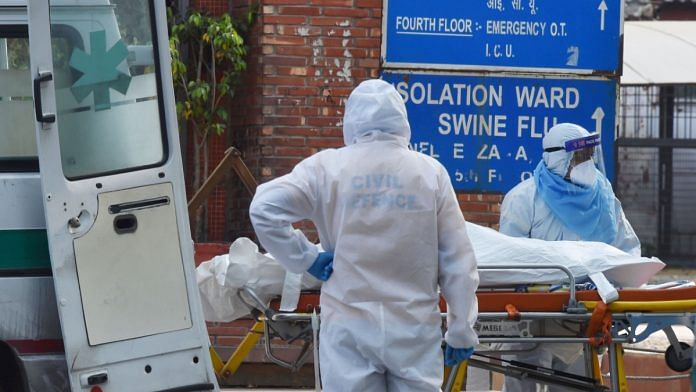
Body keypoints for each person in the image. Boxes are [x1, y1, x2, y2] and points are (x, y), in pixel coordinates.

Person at [249, 79, 479, 391]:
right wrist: (461, 328)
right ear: (402, 120)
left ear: (351, 121)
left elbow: (264, 208)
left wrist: (306, 258)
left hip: (349, 325)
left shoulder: (326, 169)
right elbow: (458, 260)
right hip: (412, 327)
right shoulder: (430, 173)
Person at [498, 122, 641, 391]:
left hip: (582, 316)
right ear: (556, 157)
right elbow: (510, 260)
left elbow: (625, 249)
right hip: (529, 316)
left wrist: (624, 285)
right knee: (521, 380)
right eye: (578, 157)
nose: (585, 163)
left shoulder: (603, 199)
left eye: (588, 156)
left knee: (577, 384)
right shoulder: (523, 199)